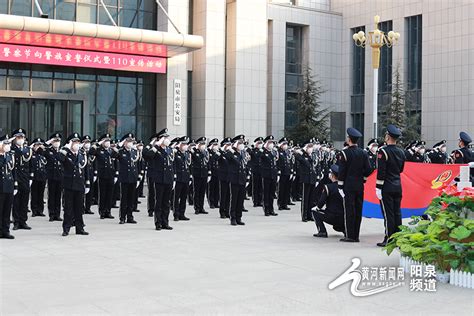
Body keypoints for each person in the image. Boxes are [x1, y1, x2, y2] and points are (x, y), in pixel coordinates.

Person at [337, 128, 373, 242]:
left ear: (349, 139)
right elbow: (369, 169)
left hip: (348, 186)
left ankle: (349, 235)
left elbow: (341, 172)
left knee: (349, 210)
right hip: (359, 185)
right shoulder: (363, 153)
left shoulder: (344, 153)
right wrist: (363, 178)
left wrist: (340, 186)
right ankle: (356, 235)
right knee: (358, 210)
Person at [375, 125, 405, 247]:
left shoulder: (383, 151)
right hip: (398, 185)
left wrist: (378, 187)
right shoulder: (401, 152)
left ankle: (389, 238)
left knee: (388, 214)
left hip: (386, 186)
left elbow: (381, 172)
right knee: (397, 212)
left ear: (387, 136)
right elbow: (401, 169)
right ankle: (398, 237)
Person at [57, 133, 89, 236]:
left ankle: (80, 228)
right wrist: (65, 148)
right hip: (69, 184)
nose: (77, 144)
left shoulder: (82, 154)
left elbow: (85, 169)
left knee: (79, 208)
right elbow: (59, 158)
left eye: (78, 142)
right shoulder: (66, 153)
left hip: (79, 184)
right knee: (68, 208)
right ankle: (66, 228)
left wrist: (87, 183)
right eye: (74, 142)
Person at [143, 128, 174, 231]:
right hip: (159, 179)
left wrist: (173, 179)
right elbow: (146, 155)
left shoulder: (169, 149)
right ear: (160, 139)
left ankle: (165, 222)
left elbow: (171, 165)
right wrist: (156, 144)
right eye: (165, 137)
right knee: (159, 202)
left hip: (168, 179)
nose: (167, 139)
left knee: (166, 202)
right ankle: (158, 223)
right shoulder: (155, 150)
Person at [112, 133, 140, 224]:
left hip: (133, 178)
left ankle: (130, 216)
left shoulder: (134, 151)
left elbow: (137, 165)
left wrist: (138, 177)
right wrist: (119, 145)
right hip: (124, 178)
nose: (130, 143)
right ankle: (122, 217)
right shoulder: (121, 151)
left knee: (131, 198)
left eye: (131, 141)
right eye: (128, 141)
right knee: (124, 198)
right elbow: (112, 155)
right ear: (124, 142)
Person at [311, 164, 345, 238]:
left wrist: (316, 207)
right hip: (343, 217)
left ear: (332, 176)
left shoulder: (328, 187)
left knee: (314, 211)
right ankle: (345, 230)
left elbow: (321, 203)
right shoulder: (345, 187)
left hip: (331, 216)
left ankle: (322, 231)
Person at [89, 134, 116, 219]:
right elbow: (91, 151)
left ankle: (108, 211)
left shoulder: (111, 151)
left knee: (110, 194)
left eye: (108, 141)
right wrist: (98, 143)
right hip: (102, 175)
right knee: (102, 194)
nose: (107, 142)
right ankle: (102, 212)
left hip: (111, 175)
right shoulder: (99, 150)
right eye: (105, 141)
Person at [11, 128, 33, 231]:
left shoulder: (28, 149)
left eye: (22, 137)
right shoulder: (11, 149)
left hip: (25, 178)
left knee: (24, 201)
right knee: (16, 201)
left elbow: (30, 165)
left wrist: (31, 177)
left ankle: (23, 221)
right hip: (16, 178)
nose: (21, 139)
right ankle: (16, 221)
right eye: (19, 137)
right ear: (14, 138)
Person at [225, 135, 247, 226]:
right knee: (234, 199)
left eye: (242, 143)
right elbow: (226, 156)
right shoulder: (231, 152)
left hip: (242, 178)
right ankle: (233, 218)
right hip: (234, 179)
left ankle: (239, 217)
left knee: (240, 200)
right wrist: (232, 149)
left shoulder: (243, 153)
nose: (241, 144)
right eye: (239, 143)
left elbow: (246, 165)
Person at [295, 139, 319, 222]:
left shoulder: (310, 155)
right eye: (309, 147)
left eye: (311, 147)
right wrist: (302, 150)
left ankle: (309, 215)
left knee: (311, 199)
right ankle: (304, 215)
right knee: (305, 198)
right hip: (305, 179)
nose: (311, 149)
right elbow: (298, 157)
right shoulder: (301, 155)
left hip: (312, 179)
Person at [44, 132, 64, 222]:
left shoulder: (61, 151)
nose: (57, 142)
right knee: (51, 196)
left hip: (60, 176)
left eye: (58, 140)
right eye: (55, 140)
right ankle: (51, 214)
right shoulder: (48, 151)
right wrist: (49, 142)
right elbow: (41, 149)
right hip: (51, 176)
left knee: (58, 196)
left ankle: (57, 214)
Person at [0, 134, 15, 239]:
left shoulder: (10, 155)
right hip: (1, 186)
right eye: (5, 143)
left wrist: (15, 185)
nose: (8, 145)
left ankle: (6, 230)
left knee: (7, 210)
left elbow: (12, 170)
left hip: (9, 186)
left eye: (8, 143)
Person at [173, 136, 191, 221]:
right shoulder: (175, 153)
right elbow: (174, 166)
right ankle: (176, 214)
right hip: (179, 178)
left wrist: (190, 177)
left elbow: (189, 166)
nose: (185, 146)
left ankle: (182, 214)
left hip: (186, 178)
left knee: (184, 197)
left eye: (186, 144)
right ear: (179, 144)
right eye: (183, 144)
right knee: (176, 198)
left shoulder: (187, 154)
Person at [260, 135, 279, 217]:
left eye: (272, 142)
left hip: (273, 175)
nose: (271, 144)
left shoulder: (273, 152)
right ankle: (266, 209)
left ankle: (271, 209)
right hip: (266, 175)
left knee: (272, 193)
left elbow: (275, 163)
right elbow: (259, 157)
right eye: (270, 142)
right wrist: (263, 149)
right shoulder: (263, 152)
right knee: (266, 193)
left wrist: (277, 173)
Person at [191, 137, 209, 215]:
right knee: (197, 191)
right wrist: (196, 149)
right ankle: (197, 208)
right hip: (197, 174)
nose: (203, 145)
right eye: (201, 144)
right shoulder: (194, 151)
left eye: (204, 144)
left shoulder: (205, 152)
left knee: (202, 192)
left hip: (204, 174)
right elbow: (197, 159)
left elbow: (207, 163)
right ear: (198, 144)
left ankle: (202, 207)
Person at [30, 138, 47, 217]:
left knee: (41, 194)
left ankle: (40, 210)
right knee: (34, 194)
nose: (39, 147)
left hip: (42, 177)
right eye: (37, 145)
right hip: (35, 177)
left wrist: (43, 147)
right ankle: (34, 210)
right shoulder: (31, 154)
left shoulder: (43, 154)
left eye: (40, 145)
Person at [217, 138, 232, 219]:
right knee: (223, 195)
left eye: (230, 145)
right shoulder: (220, 153)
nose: (229, 146)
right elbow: (214, 159)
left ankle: (227, 211)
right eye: (227, 145)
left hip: (230, 177)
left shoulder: (231, 153)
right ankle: (222, 211)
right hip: (223, 177)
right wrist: (220, 151)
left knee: (229, 196)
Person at [81, 135, 96, 215]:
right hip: (83, 174)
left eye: (88, 142)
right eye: (86, 142)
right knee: (83, 192)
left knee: (90, 192)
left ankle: (88, 207)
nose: (88, 144)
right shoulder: (81, 151)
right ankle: (82, 208)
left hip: (90, 173)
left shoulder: (90, 152)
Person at [277, 137, 292, 211]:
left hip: (287, 172)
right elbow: (278, 163)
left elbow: (289, 163)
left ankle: (285, 204)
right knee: (281, 189)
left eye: (286, 144)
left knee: (286, 189)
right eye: (284, 144)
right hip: (282, 173)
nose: (286, 145)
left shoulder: (286, 152)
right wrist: (278, 172)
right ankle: (280, 204)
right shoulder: (278, 152)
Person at [249, 137, 263, 207]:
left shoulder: (262, 150)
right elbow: (256, 156)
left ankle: (260, 201)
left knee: (260, 186)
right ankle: (255, 201)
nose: (260, 144)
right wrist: (259, 151)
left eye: (261, 143)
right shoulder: (253, 151)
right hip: (255, 170)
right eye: (259, 143)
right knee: (255, 186)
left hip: (261, 170)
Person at [207, 138, 220, 209]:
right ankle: (211, 202)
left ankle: (216, 202)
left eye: (216, 144)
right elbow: (210, 160)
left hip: (218, 172)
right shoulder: (209, 152)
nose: (216, 146)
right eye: (214, 144)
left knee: (217, 188)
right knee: (211, 188)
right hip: (212, 172)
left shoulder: (218, 152)